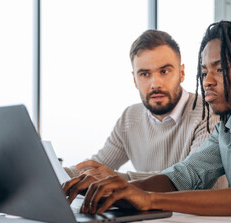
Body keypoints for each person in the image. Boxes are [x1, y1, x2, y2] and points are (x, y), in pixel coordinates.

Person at [62, 20, 231, 218]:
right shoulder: (227, 130)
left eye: (220, 69)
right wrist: (122, 191)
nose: (207, 81)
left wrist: (149, 199)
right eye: (204, 71)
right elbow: (182, 176)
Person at [64, 29, 222, 185]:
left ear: (181, 73)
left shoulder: (209, 113)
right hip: (153, 211)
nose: (155, 84)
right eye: (145, 74)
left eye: (164, 71)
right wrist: (51, 170)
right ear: (134, 79)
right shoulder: (130, 117)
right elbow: (96, 168)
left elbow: (190, 179)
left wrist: (117, 180)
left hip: (201, 211)